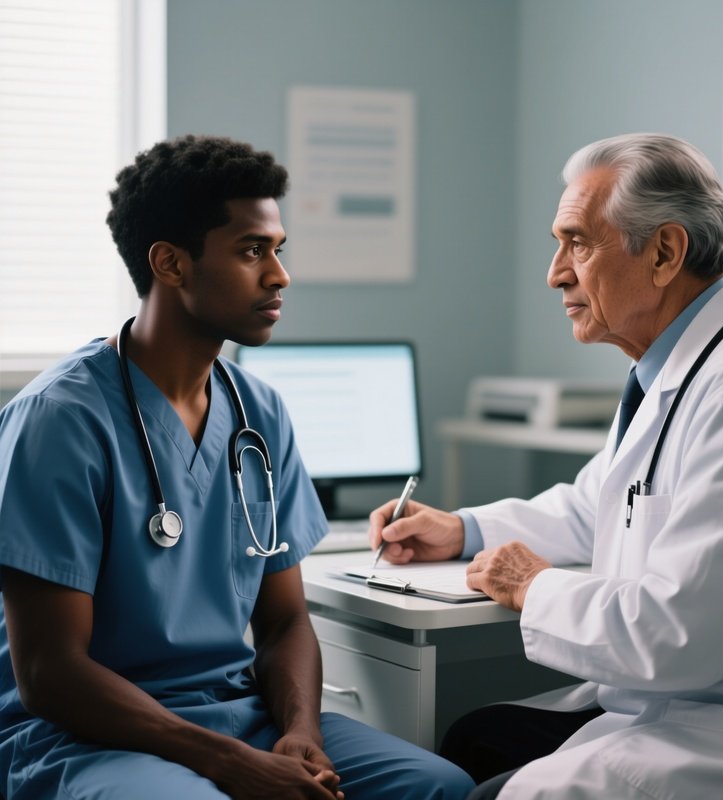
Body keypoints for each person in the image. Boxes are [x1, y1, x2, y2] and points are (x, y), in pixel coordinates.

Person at [0, 135, 475, 800]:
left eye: (278, 250)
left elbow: (284, 622)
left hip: (238, 714)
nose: (279, 275)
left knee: (438, 785)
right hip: (89, 734)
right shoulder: (59, 419)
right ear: (170, 263)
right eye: (253, 251)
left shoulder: (260, 411)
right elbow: (49, 673)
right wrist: (231, 763)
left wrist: (301, 732)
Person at [369, 133, 723, 799]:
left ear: (664, 252)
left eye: (578, 243)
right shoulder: (676, 366)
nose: (555, 273)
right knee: (472, 738)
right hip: (661, 703)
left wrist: (533, 586)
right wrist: (462, 529)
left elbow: (682, 636)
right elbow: (597, 505)